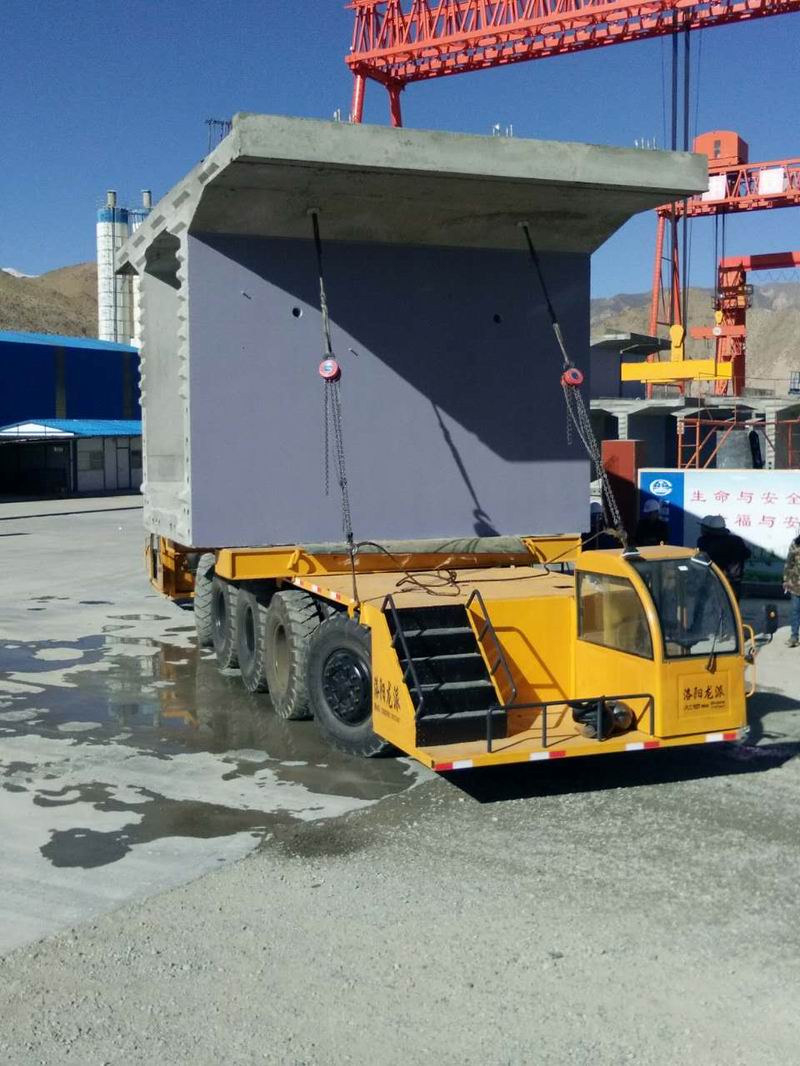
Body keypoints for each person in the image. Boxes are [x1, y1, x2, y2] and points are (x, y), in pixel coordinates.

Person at [696, 514, 751, 601]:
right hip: (733, 581)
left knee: (705, 603)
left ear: (708, 530)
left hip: (711, 579)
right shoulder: (736, 541)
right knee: (731, 605)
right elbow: (747, 554)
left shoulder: (704, 542)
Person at [783, 532, 800, 648]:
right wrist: (786, 580)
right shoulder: (795, 543)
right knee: (795, 611)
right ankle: (794, 637)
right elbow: (789, 563)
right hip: (796, 585)